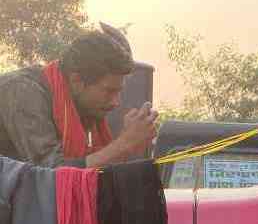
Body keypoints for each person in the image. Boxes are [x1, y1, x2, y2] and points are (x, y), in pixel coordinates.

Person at [0, 26, 158, 169]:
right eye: (109, 91)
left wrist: (127, 144)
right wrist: (123, 144)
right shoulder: (22, 92)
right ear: (77, 80)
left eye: (118, 92)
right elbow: (51, 175)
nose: (116, 102)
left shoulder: (72, 99)